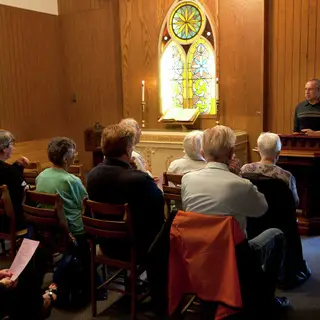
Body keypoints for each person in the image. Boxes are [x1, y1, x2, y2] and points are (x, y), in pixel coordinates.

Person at [181, 125, 289, 314]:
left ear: (201, 152)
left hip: (196, 253)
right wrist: (238, 176)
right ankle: (266, 299)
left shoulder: (187, 179)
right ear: (232, 153)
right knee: (277, 235)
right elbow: (261, 209)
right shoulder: (239, 184)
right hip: (233, 257)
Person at [86, 124, 165, 312]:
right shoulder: (137, 179)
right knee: (167, 232)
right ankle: (160, 298)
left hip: (106, 243)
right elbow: (158, 204)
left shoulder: (93, 174)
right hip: (135, 246)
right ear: (129, 150)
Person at [36, 137, 87, 240]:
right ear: (65, 159)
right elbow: (85, 204)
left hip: (47, 226)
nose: (75, 155)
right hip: (72, 228)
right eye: (74, 153)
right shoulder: (72, 180)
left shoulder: (41, 176)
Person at [241, 132, 299, 205]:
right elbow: (295, 202)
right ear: (278, 153)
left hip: (251, 214)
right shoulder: (286, 176)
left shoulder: (244, 169)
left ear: (258, 151)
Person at [0, 130, 29, 232]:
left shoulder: (10, 170)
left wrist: (17, 166)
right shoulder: (10, 171)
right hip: (9, 222)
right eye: (11, 145)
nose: (14, 147)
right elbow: (24, 191)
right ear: (4, 148)